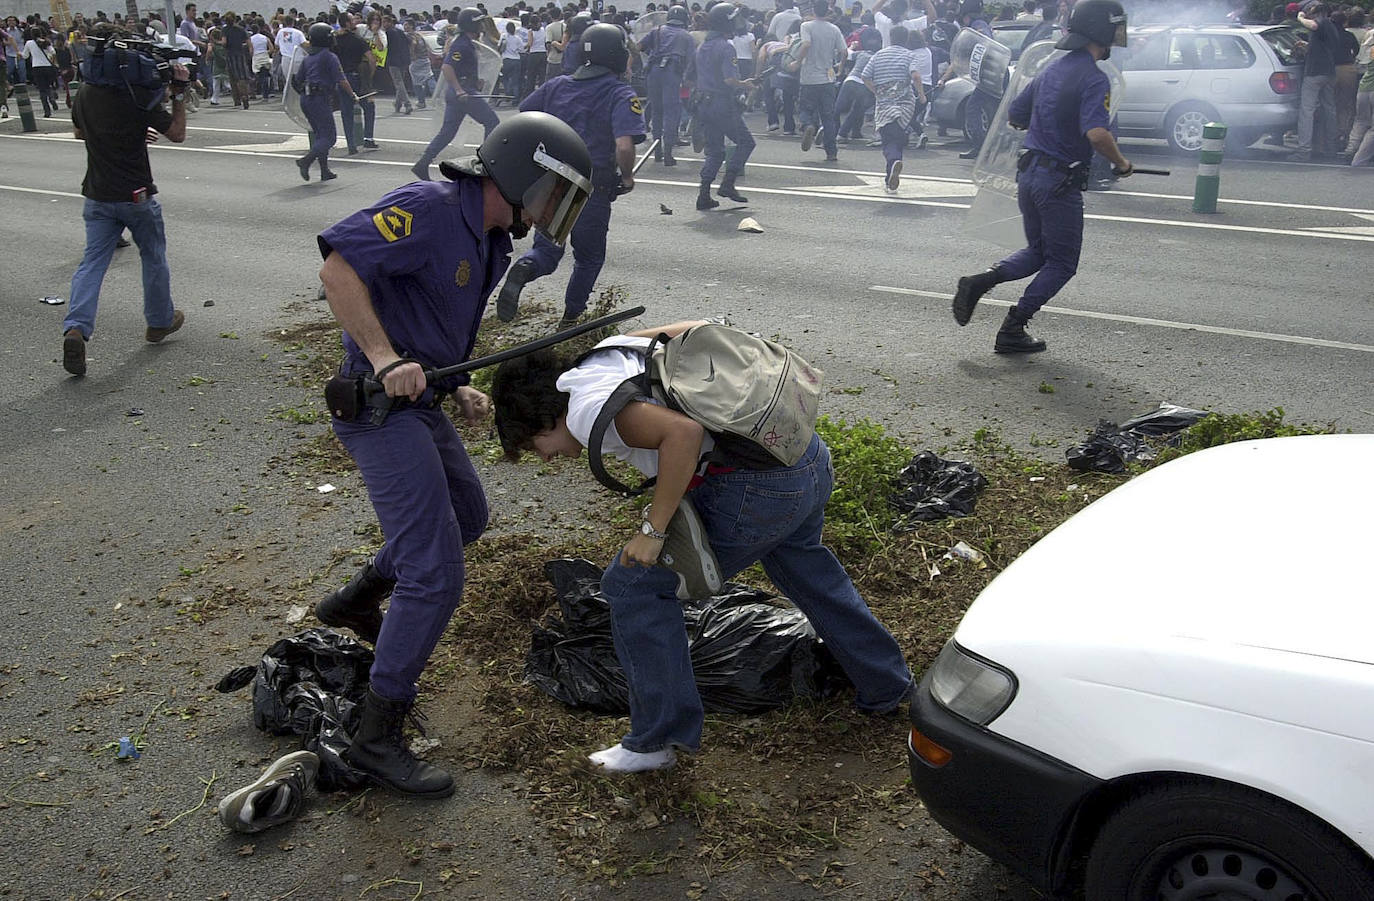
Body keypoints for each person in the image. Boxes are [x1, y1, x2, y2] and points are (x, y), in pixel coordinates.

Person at [488, 322, 914, 774]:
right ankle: (885, 683)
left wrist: (653, 532)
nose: (547, 457)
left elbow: (683, 435)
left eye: (534, 447)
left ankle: (656, 740)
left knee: (632, 586)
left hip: (761, 489)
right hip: (802, 455)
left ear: (541, 419)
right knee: (805, 566)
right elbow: (703, 328)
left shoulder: (585, 409)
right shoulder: (613, 349)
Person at [313, 112, 593, 797]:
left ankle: (355, 600)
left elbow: (428, 318)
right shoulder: (429, 209)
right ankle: (375, 737)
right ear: (522, 174)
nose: (555, 212)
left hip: (421, 403)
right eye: (554, 193)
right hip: (379, 410)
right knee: (436, 575)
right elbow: (338, 267)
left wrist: (458, 381)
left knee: (467, 514)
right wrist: (382, 358)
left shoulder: (490, 237)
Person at [950, 0, 1132, 354]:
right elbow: (1097, 134)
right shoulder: (1094, 79)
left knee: (1039, 251)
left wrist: (1050, 122)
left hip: (1030, 175)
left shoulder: (1052, 68)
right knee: (1062, 263)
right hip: (1059, 183)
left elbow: (1017, 115)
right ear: (1102, 32)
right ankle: (1013, 327)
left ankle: (980, 282)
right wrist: (1121, 163)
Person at [61, 25, 192, 377]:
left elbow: (79, 131)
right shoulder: (136, 95)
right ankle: (159, 321)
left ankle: (76, 328)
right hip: (136, 194)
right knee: (153, 254)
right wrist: (179, 94)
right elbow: (177, 134)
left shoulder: (86, 92)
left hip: (97, 194)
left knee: (92, 263)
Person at [496, 22, 644, 328]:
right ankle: (571, 317)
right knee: (588, 258)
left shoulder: (557, 85)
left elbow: (525, 116)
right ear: (616, 55)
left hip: (552, 182)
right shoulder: (619, 92)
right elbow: (624, 144)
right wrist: (627, 177)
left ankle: (525, 267)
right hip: (592, 186)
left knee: (547, 253)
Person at [411, 7, 501, 181]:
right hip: (462, 93)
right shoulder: (461, 44)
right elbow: (447, 67)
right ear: (471, 25)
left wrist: (475, 82)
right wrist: (460, 89)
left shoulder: (466, 42)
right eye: (479, 22)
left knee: (448, 132)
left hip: (462, 91)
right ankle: (485, 162)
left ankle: (423, 163)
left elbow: (459, 69)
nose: (482, 25)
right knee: (492, 121)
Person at [694, 2, 756, 210]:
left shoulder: (703, 45)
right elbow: (730, 79)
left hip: (704, 103)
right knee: (746, 142)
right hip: (721, 104)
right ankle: (728, 184)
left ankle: (704, 194)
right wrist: (745, 85)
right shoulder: (726, 46)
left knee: (715, 151)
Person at [862, 24, 924, 191]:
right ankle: (891, 175)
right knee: (897, 138)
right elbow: (916, 76)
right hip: (905, 104)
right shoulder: (910, 55)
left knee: (888, 139)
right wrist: (922, 95)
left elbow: (865, 76)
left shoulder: (878, 55)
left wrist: (876, 91)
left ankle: (893, 165)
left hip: (885, 104)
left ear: (890, 38)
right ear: (906, 40)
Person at [295, 22, 358, 181]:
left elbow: (297, 80)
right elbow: (341, 80)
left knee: (319, 135)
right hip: (319, 99)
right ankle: (306, 161)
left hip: (306, 98)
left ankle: (324, 170)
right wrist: (352, 95)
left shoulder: (308, 58)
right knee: (329, 138)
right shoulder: (330, 57)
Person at [640, 4, 695, 165]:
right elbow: (691, 61)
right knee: (672, 112)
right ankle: (668, 153)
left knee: (657, 111)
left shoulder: (656, 31)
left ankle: (657, 152)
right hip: (672, 73)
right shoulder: (686, 36)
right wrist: (689, 80)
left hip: (653, 72)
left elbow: (639, 47)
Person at [796, 0, 847, 161]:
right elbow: (844, 51)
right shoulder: (834, 29)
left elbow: (806, 44)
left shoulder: (806, 26)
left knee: (804, 109)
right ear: (827, 11)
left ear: (813, 10)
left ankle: (808, 125)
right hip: (827, 78)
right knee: (828, 116)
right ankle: (831, 152)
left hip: (809, 77)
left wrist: (797, 62)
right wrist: (840, 68)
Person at [1290, 2, 1339, 161]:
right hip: (1329, 71)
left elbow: (1313, 25)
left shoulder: (1321, 21)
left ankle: (1303, 151)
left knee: (1307, 112)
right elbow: (1323, 45)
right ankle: (1331, 148)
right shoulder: (1331, 26)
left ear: (1316, 11)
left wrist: (1300, 18)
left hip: (1314, 72)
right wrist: (1307, 45)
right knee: (1329, 110)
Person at [336, 13, 379, 153]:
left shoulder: (334, 40)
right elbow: (372, 60)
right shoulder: (358, 40)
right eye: (352, 20)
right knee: (368, 107)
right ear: (348, 23)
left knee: (346, 112)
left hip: (341, 78)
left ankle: (351, 144)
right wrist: (369, 77)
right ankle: (368, 138)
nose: (355, 22)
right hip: (356, 77)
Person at [382, 13, 413, 113]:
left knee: (398, 83)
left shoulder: (388, 33)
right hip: (403, 60)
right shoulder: (400, 31)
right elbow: (409, 42)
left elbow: (384, 47)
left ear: (390, 22)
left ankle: (407, 104)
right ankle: (397, 104)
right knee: (400, 83)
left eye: (385, 22)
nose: (384, 24)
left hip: (393, 60)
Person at [222, 11, 253, 108]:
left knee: (233, 79)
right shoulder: (241, 29)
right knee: (242, 77)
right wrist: (251, 53)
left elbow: (224, 43)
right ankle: (245, 96)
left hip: (230, 55)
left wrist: (216, 42)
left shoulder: (225, 30)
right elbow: (249, 43)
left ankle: (236, 100)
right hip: (240, 54)